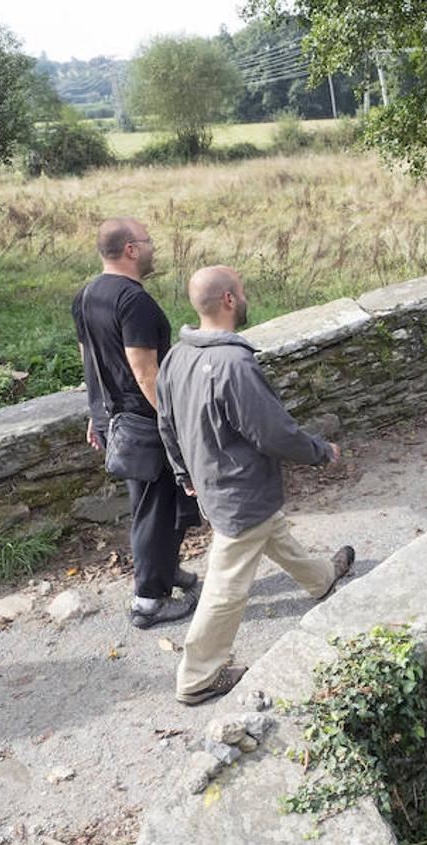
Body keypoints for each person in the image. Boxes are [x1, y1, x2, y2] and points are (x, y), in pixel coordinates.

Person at [157, 265, 355, 706]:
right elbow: (273, 433)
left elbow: (165, 422)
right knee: (227, 584)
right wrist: (321, 451)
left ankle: (322, 579)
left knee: (273, 532)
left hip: (214, 486)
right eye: (242, 291)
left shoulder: (175, 357)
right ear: (229, 300)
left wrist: (183, 474)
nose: (245, 298)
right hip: (239, 491)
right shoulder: (233, 364)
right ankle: (198, 677)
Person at [73, 217, 201, 629]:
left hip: (116, 420)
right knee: (154, 509)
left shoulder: (86, 295)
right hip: (144, 422)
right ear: (131, 249)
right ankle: (148, 602)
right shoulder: (134, 301)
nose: (153, 248)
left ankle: (167, 572)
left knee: (165, 502)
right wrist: (173, 422)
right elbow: (144, 371)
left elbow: (89, 360)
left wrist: (96, 414)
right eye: (148, 241)